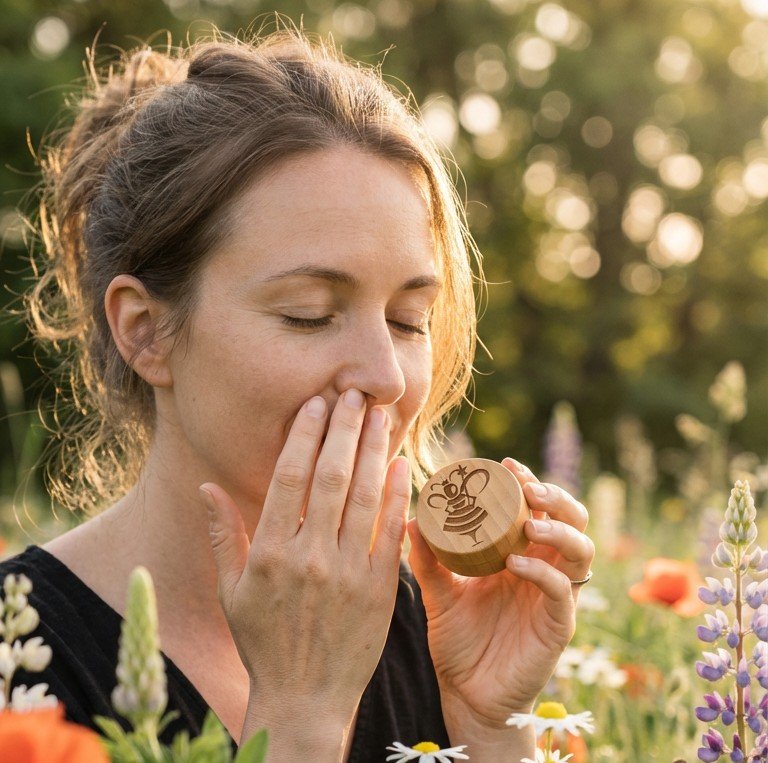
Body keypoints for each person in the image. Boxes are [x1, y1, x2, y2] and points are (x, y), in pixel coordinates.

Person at [3, 21, 595, 762]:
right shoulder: (19, 662)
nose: (385, 376)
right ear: (145, 331)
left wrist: (487, 723)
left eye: (409, 319)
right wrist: (299, 713)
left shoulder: (421, 626)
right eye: (309, 313)